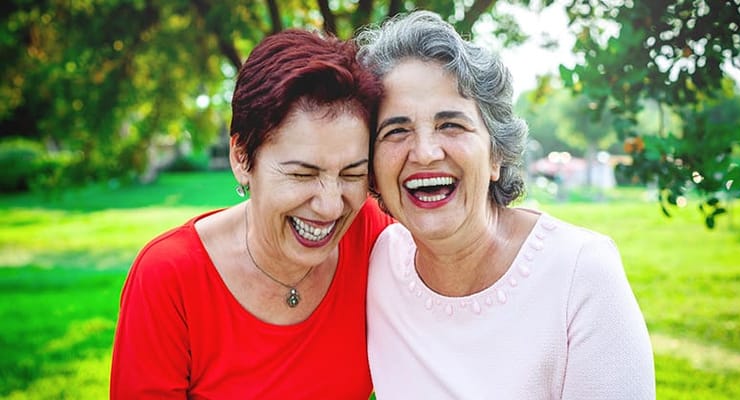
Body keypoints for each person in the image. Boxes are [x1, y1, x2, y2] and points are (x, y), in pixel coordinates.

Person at [357, 10, 656, 399]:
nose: (426, 153)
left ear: (496, 154)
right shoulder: (380, 261)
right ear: (373, 170)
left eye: (451, 125)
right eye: (396, 131)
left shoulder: (580, 272)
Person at [110, 29, 392, 399]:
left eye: (352, 174)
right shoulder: (169, 277)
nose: (330, 206)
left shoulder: (374, 236)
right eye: (301, 173)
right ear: (242, 157)